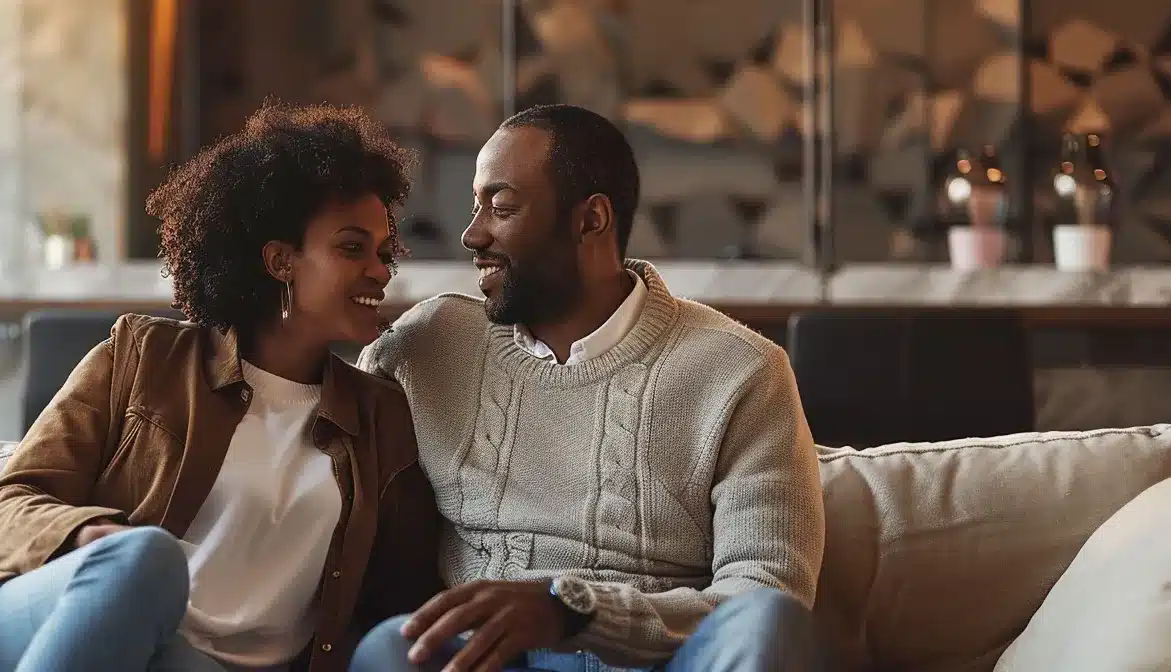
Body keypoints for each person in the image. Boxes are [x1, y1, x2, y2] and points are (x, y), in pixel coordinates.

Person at [0, 102, 443, 672]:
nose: (380, 270)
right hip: (47, 629)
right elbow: (2, 511)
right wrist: (91, 542)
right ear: (279, 261)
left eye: (383, 251)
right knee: (145, 559)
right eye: (352, 248)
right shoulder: (143, 357)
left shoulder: (381, 422)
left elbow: (397, 603)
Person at [350, 104, 826, 672]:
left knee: (767, 621)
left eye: (501, 208)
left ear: (591, 220)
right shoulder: (430, 342)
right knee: (388, 649)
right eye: (477, 206)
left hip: (664, 661)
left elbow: (765, 592)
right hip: (494, 662)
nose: (472, 234)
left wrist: (575, 612)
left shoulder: (740, 370)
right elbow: (320, 432)